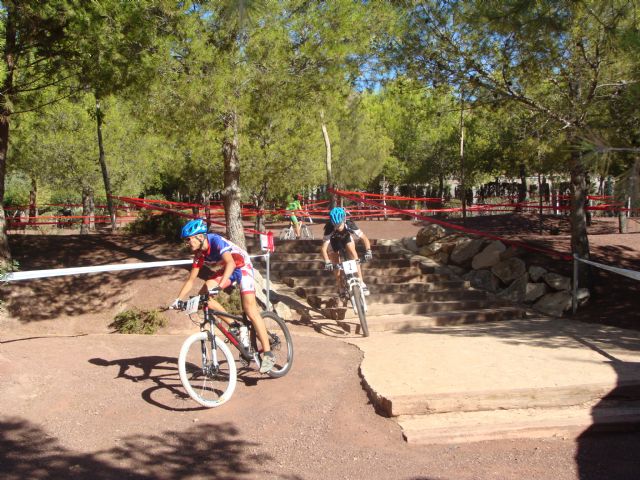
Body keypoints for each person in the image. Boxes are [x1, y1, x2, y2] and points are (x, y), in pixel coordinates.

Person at [170, 218, 275, 373]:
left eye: (189, 239)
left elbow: (231, 263)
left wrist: (219, 287)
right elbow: (191, 279)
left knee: (250, 310)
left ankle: (268, 354)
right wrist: (178, 300)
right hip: (228, 270)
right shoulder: (199, 254)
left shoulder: (215, 240)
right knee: (202, 297)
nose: (187, 243)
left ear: (200, 236)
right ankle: (235, 325)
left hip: (242, 266)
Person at [320, 206, 372, 297]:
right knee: (335, 262)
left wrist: (368, 251)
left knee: (353, 253)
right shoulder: (329, 229)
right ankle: (340, 287)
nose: (337, 227)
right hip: (333, 242)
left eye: (339, 224)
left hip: (346, 239)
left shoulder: (350, 224)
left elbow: (364, 238)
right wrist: (327, 261)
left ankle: (361, 281)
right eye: (335, 225)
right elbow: (323, 249)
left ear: (344, 220)